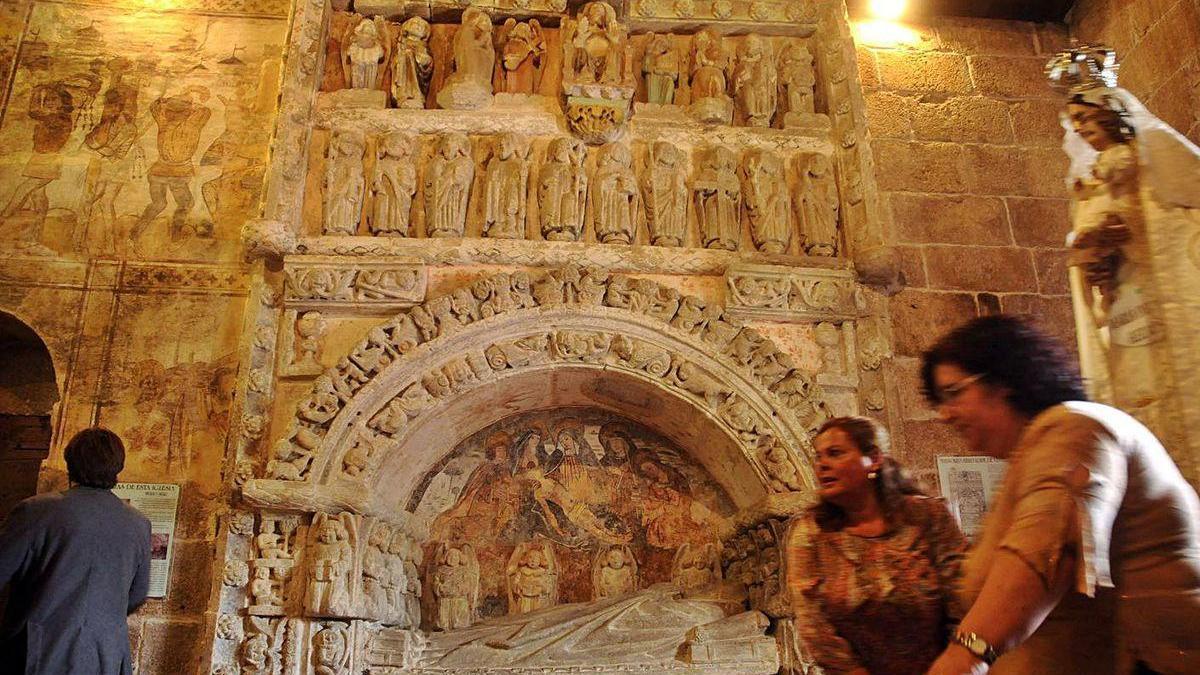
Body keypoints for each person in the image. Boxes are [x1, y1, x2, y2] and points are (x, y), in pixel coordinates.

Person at [922, 315, 1200, 675]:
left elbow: (1045, 552)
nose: (945, 415)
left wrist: (966, 655)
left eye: (954, 393)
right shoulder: (1032, 454)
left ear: (1003, 379)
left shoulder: (1075, 428)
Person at [784, 416, 966, 675]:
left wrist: (958, 661)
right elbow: (814, 625)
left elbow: (963, 594)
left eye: (835, 453)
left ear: (875, 459)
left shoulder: (928, 517)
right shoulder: (811, 533)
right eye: (818, 457)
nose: (822, 465)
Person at [0, 428, 151, 675]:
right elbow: (136, 594)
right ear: (118, 467)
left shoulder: (36, 511)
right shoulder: (138, 523)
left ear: (70, 461)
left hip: (38, 652)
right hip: (106, 656)